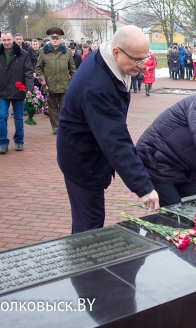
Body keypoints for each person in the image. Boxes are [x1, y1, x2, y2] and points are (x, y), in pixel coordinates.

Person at [57, 25, 159, 234]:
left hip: (90, 152)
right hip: (82, 160)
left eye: (145, 59)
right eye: (138, 60)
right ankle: (83, 263)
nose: (143, 66)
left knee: (90, 219)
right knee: (90, 224)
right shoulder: (97, 86)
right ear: (116, 52)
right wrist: (143, 186)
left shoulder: (110, 62)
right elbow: (115, 139)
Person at [0, 30, 33, 154]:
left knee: (18, 118)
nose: (6, 43)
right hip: (2, 91)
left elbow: (28, 73)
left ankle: (19, 141)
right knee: (2, 117)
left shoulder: (23, 54)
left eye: (8, 40)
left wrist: (29, 89)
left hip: (18, 91)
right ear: (1, 41)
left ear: (12, 40)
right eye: (4, 40)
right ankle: (3, 143)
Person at [35, 27, 76, 135]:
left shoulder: (66, 52)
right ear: (49, 39)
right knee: (52, 108)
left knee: (64, 106)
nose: (55, 40)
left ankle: (63, 125)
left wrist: (74, 81)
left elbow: (72, 68)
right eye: (53, 38)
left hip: (64, 84)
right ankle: (56, 127)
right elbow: (38, 68)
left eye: (57, 38)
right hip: (49, 84)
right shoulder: (43, 52)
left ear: (60, 39)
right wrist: (42, 79)